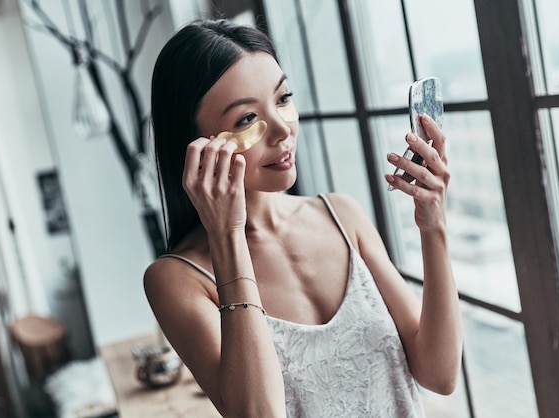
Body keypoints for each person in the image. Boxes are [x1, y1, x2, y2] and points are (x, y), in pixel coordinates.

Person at [144, 18, 462, 418]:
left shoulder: (342, 216)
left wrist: (433, 225)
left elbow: (440, 374)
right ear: (196, 146)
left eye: (282, 98)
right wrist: (227, 237)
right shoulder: (177, 280)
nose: (282, 129)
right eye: (246, 119)